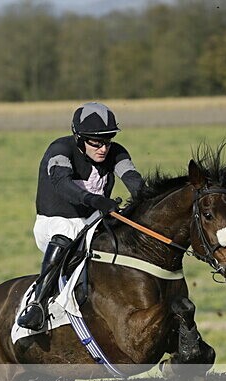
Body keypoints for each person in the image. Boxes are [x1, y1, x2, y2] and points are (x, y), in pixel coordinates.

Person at [17, 101, 144, 331]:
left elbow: (133, 179)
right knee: (66, 231)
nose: (103, 149)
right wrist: (94, 200)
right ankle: (38, 303)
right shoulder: (59, 150)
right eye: (95, 143)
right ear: (78, 138)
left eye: (107, 141)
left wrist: (146, 199)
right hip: (53, 222)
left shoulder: (116, 152)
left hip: (92, 222)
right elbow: (62, 184)